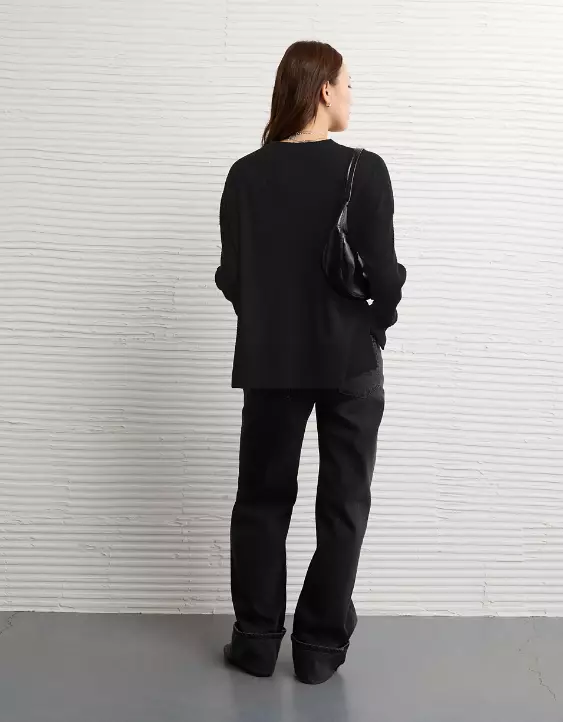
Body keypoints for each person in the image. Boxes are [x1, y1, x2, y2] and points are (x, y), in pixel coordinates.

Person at [215, 40, 407, 685]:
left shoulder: (245, 174)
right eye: (348, 83)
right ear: (324, 89)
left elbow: (233, 275)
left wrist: (273, 321)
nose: (352, 95)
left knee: (262, 499)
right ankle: (319, 650)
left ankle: (255, 642)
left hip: (271, 360)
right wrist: (373, 323)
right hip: (349, 359)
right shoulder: (363, 169)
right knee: (343, 502)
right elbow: (384, 274)